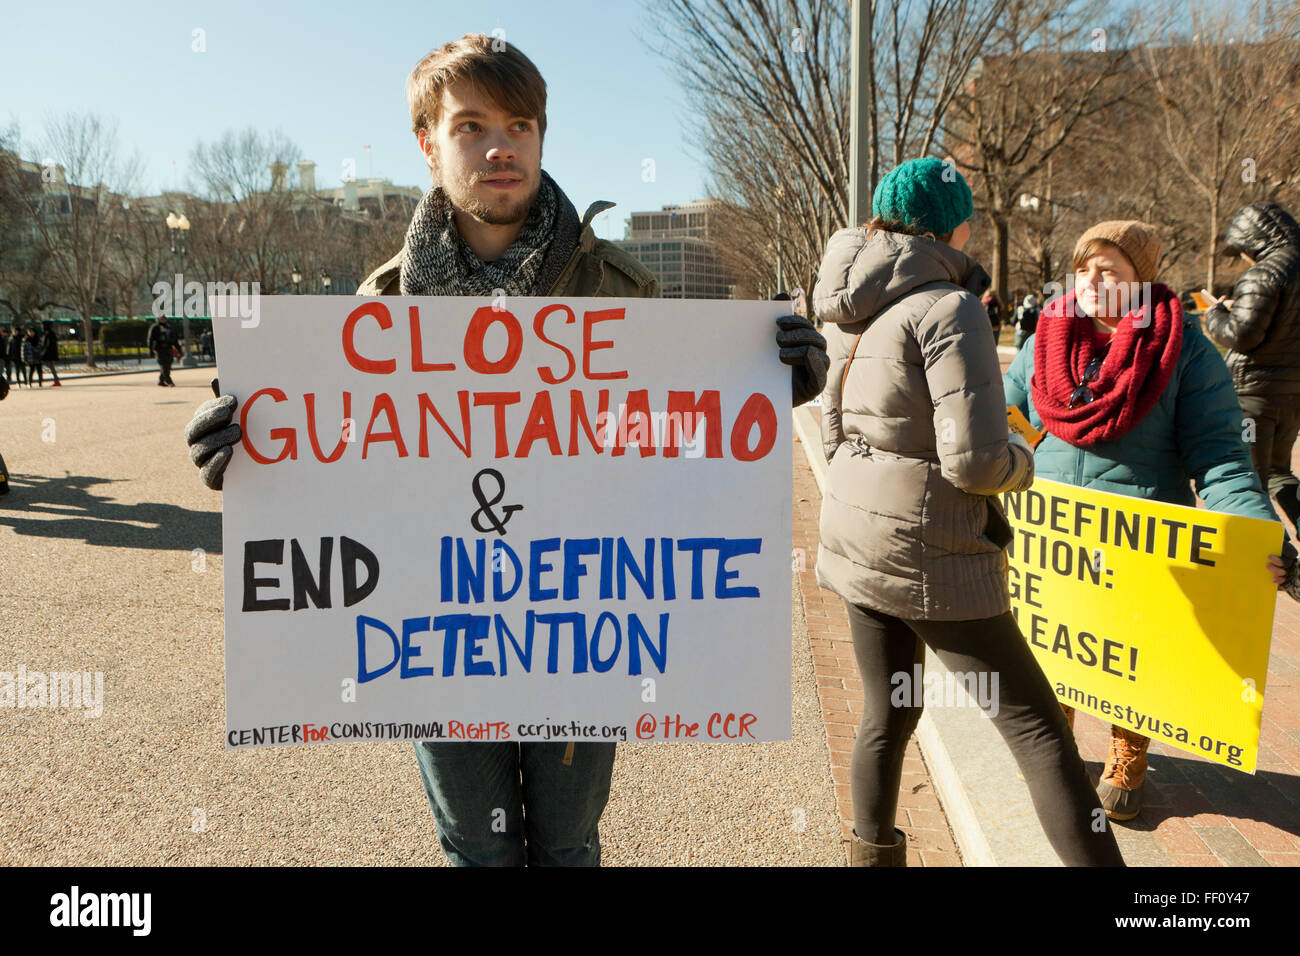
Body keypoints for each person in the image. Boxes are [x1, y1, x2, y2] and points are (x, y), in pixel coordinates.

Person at [182, 33, 829, 868]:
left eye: (520, 125)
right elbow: (337, 466)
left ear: (541, 138)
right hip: (432, 629)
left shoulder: (622, 290)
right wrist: (237, 449)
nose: (500, 148)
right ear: (427, 143)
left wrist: (774, 390)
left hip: (584, 621)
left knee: (567, 844)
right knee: (474, 850)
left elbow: (673, 445)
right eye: (471, 126)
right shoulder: (374, 312)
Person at [814, 157, 1123, 867]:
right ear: (952, 225)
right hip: (935, 549)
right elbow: (976, 463)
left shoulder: (847, 306)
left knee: (887, 710)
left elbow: (834, 432)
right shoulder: (949, 308)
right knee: (1039, 730)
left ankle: (871, 857)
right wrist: (1022, 458)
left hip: (860, 535)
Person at [1004, 220, 1285, 821]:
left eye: (1110, 269)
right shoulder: (1043, 340)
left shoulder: (1185, 352)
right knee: (1055, 648)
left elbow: (1221, 455)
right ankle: (1053, 753)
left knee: (1128, 652)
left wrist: (1257, 531)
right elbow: (1011, 420)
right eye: (1084, 267)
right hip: (1054, 533)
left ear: (1143, 278)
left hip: (1140, 536)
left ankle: (1127, 756)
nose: (1092, 280)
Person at [1203, 202, 1300, 600]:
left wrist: (1214, 316)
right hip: (1292, 391)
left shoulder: (1264, 273)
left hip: (1254, 393)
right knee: (1278, 470)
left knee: (1248, 480)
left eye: (1242, 248)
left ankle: (1284, 567)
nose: (1243, 257)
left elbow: (1242, 335)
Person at [148, 315, 177, 386]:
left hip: (168, 348)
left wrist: (178, 348)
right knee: (163, 365)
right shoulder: (155, 327)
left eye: (164, 318)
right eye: (161, 318)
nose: (163, 320)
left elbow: (174, 338)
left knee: (169, 364)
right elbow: (151, 339)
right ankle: (168, 380)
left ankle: (161, 381)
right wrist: (150, 350)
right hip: (159, 348)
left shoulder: (169, 327)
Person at [39, 321, 61, 387]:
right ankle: (56, 380)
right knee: (51, 367)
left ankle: (56, 380)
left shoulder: (49, 334)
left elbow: (46, 344)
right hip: (50, 352)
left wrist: (42, 352)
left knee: (51, 366)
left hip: (49, 353)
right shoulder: (50, 333)